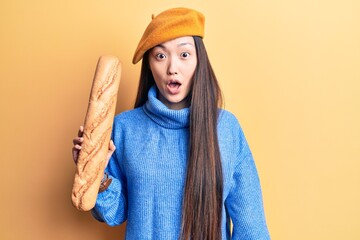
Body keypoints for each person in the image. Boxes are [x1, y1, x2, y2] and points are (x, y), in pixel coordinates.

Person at [72, 7, 270, 240]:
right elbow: (116, 214)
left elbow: (252, 229)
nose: (172, 68)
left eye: (184, 55)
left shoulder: (226, 129)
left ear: (199, 61)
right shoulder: (124, 127)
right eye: (161, 56)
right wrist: (98, 174)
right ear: (150, 64)